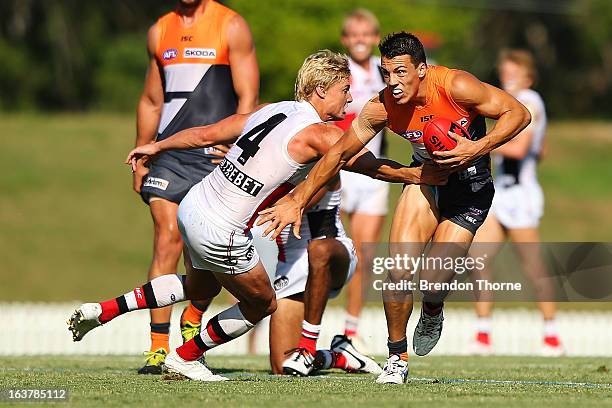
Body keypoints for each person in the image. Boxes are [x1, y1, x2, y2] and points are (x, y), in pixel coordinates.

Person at [68, 50, 448, 382]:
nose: (350, 101)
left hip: (194, 205)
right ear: (321, 90)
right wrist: (417, 174)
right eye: (344, 90)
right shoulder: (321, 133)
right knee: (261, 304)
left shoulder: (271, 110)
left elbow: (206, 133)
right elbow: (373, 167)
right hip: (222, 230)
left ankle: (103, 310)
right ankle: (185, 357)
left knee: (201, 289)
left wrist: (156, 145)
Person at [257, 33, 531, 385]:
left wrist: (476, 148)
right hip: (426, 183)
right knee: (399, 270)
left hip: (470, 190)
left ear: (421, 68)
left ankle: (433, 309)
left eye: (401, 72)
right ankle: (396, 358)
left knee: (434, 280)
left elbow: (518, 113)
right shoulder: (382, 106)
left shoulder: (456, 85)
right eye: (386, 73)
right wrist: (297, 198)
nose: (394, 82)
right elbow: (339, 153)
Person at [132, 0, 258, 374]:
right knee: (166, 236)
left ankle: (193, 318)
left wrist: (239, 146)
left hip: (214, 154)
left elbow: (248, 98)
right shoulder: (160, 30)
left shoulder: (231, 25)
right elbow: (152, 99)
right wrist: (141, 154)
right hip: (169, 154)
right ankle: (157, 348)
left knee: (200, 253)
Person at [469, 49, 563, 356]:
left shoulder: (530, 100)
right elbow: (542, 148)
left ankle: (551, 336)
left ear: (528, 76)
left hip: (521, 196)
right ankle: (483, 336)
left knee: (533, 267)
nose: (507, 78)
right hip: (501, 194)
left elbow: (521, 149)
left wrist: (478, 146)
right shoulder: (508, 104)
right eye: (504, 72)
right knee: (478, 259)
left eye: (513, 73)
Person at [269, 176, 381, 376]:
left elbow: (292, 205)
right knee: (283, 368)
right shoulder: (269, 160)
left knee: (318, 250)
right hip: (290, 267)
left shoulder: (322, 162)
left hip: (332, 252)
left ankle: (308, 346)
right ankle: (339, 356)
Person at [334, 9, 388, 347]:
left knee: (364, 254)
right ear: (345, 39)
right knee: (328, 251)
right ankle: (306, 321)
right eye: (354, 34)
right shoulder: (339, 71)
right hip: (339, 170)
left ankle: (350, 330)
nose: (360, 40)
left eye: (366, 34)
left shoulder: (387, 71)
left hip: (373, 172)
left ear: (374, 37)